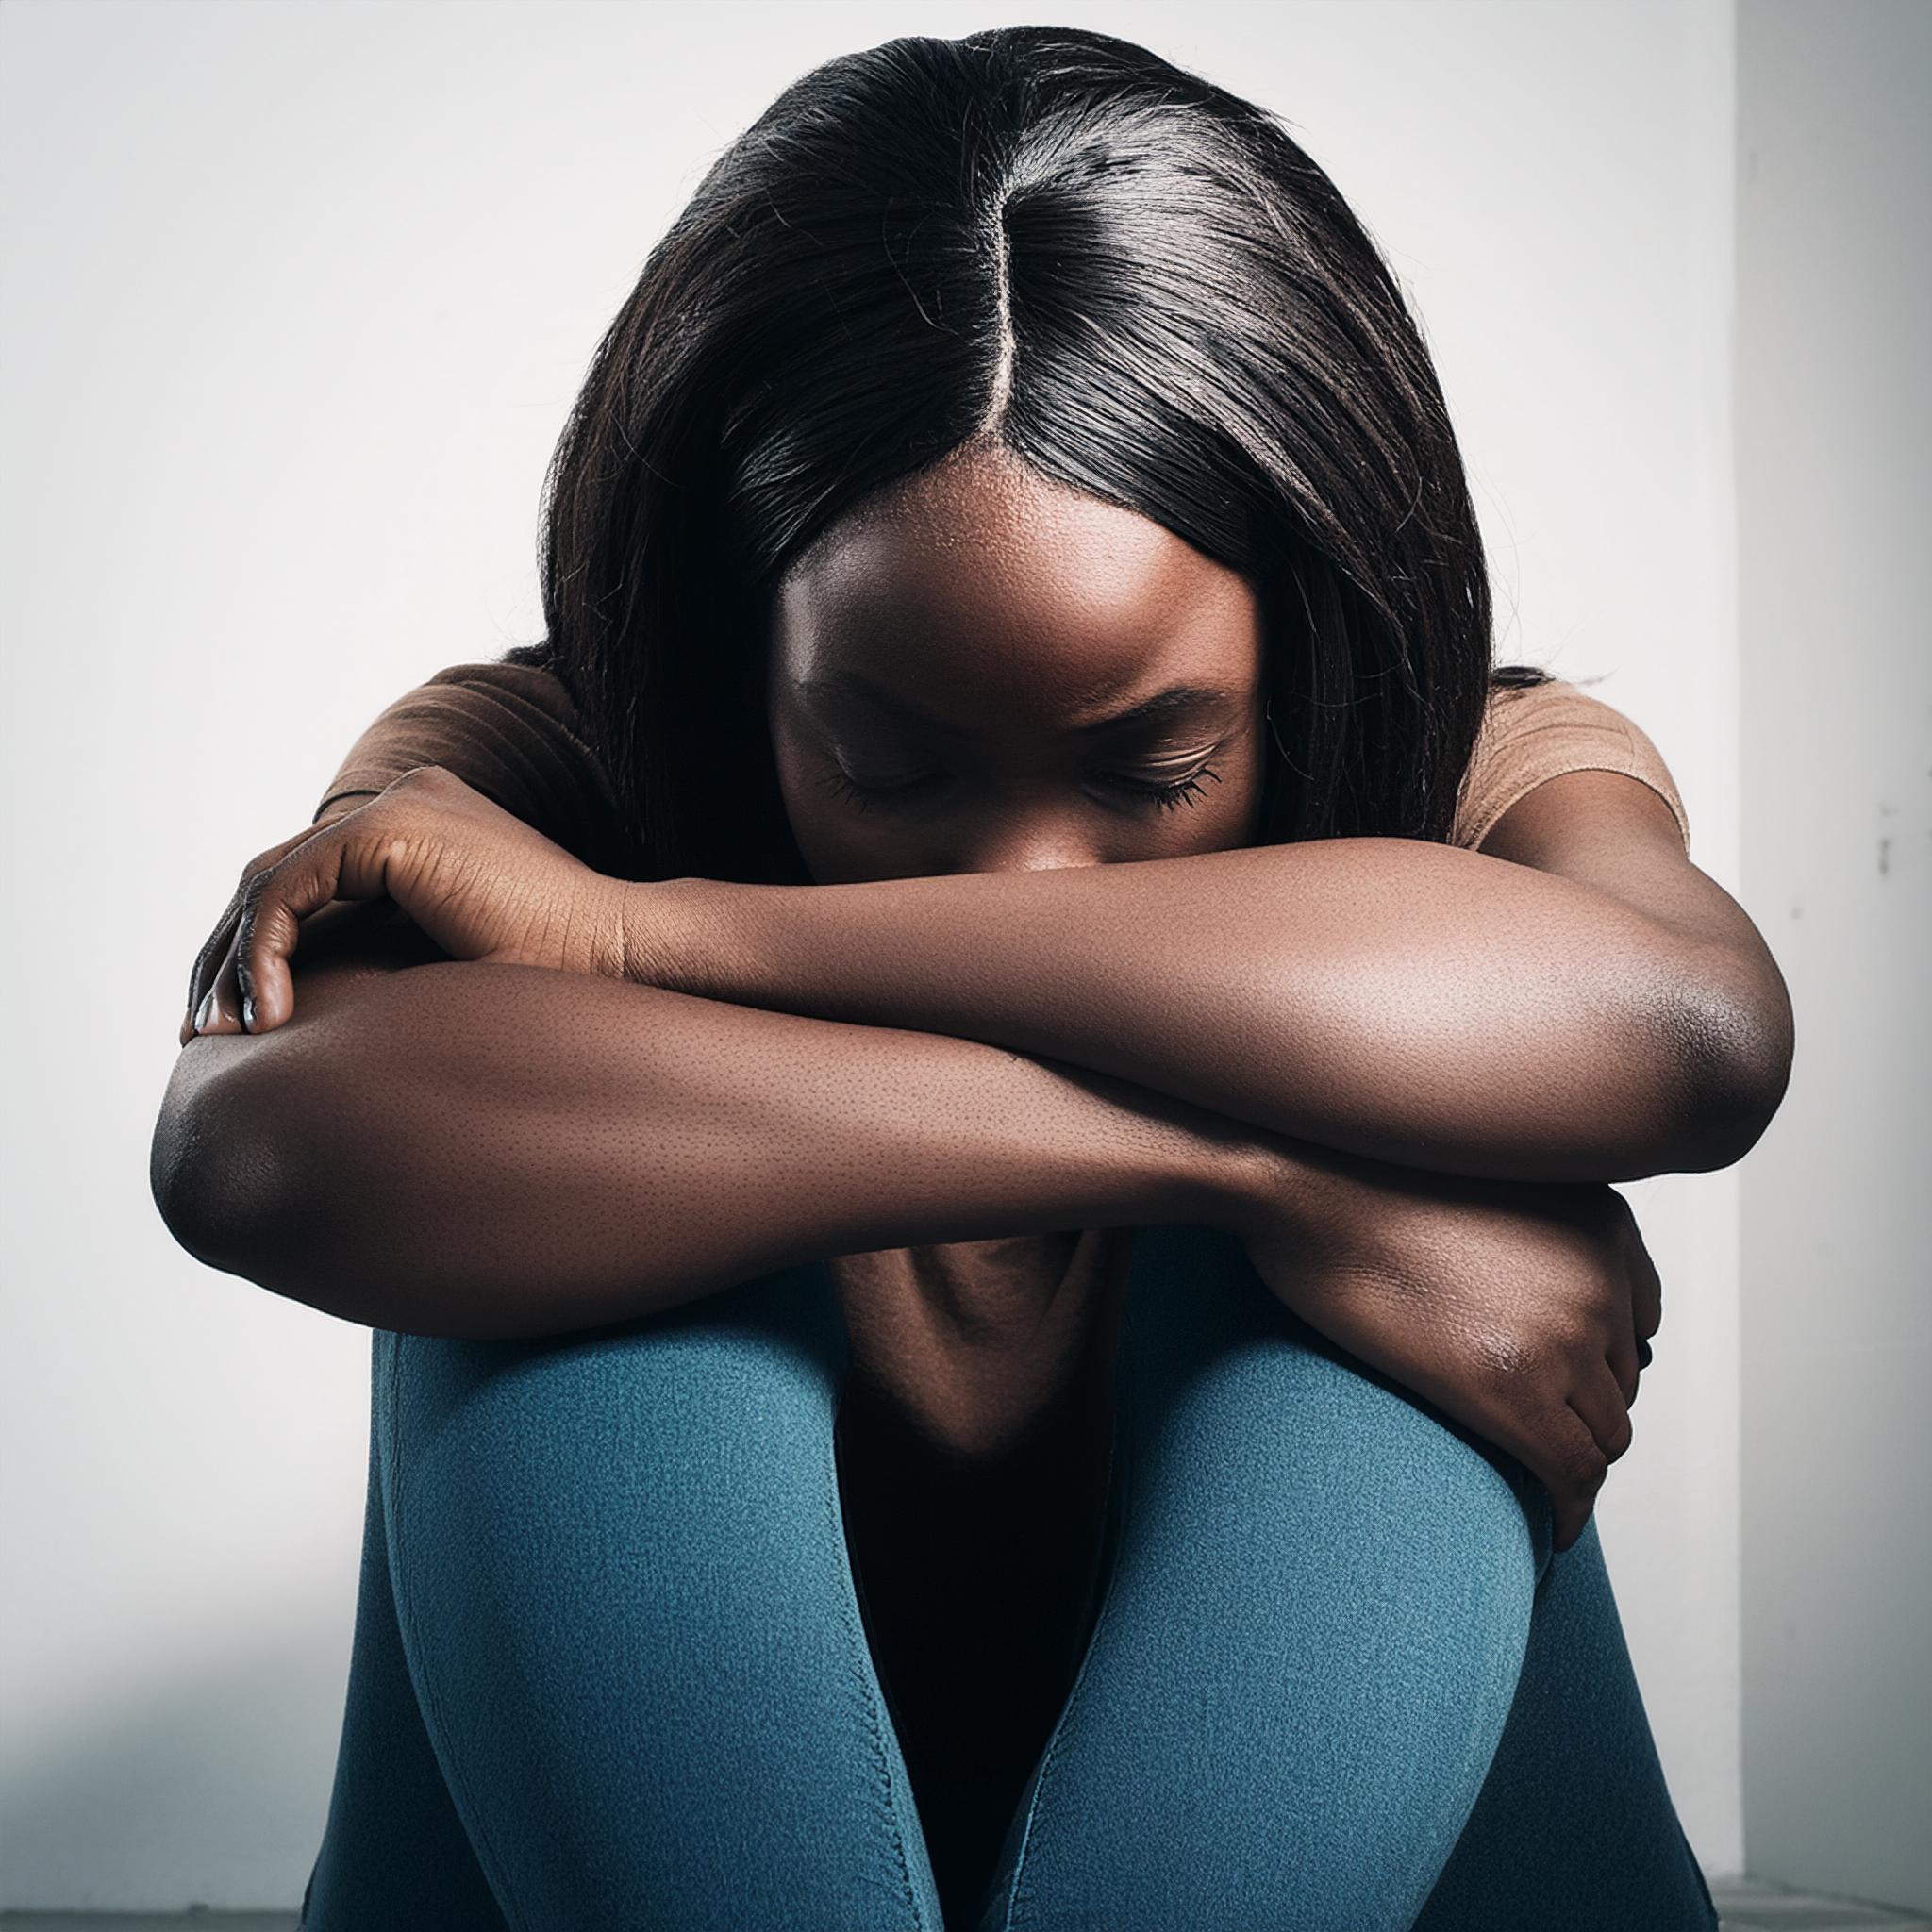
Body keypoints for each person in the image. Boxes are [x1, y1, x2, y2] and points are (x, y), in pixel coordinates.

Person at [151, 25, 1790, 1931]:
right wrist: (1262, 1166)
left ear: (1308, 651)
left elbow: (1689, 1022)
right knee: (535, 1227)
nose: (1027, 881)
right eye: (893, 763)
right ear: (734, 651)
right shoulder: (547, 756)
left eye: (1148, 765)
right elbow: (249, 1146)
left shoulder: (1462, 777)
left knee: (1414, 1153)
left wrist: (652, 934)